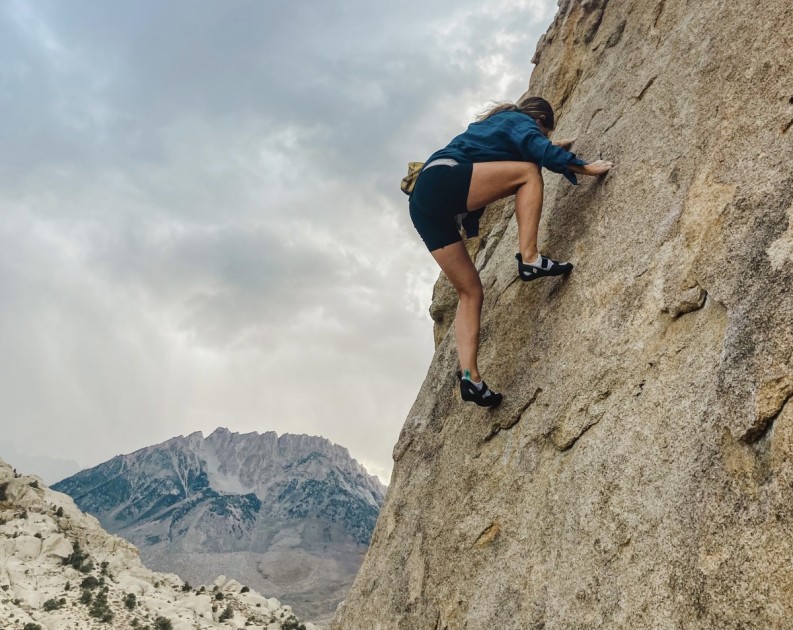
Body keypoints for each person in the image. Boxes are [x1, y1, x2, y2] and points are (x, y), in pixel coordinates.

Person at [409, 96, 614, 408]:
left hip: (423, 203)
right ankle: (530, 258)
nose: (541, 139)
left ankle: (471, 378)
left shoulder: (494, 128)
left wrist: (553, 146)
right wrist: (585, 167)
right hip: (441, 180)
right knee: (529, 172)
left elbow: (510, 150)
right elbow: (532, 147)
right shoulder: (519, 120)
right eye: (543, 133)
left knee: (470, 292)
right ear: (538, 120)